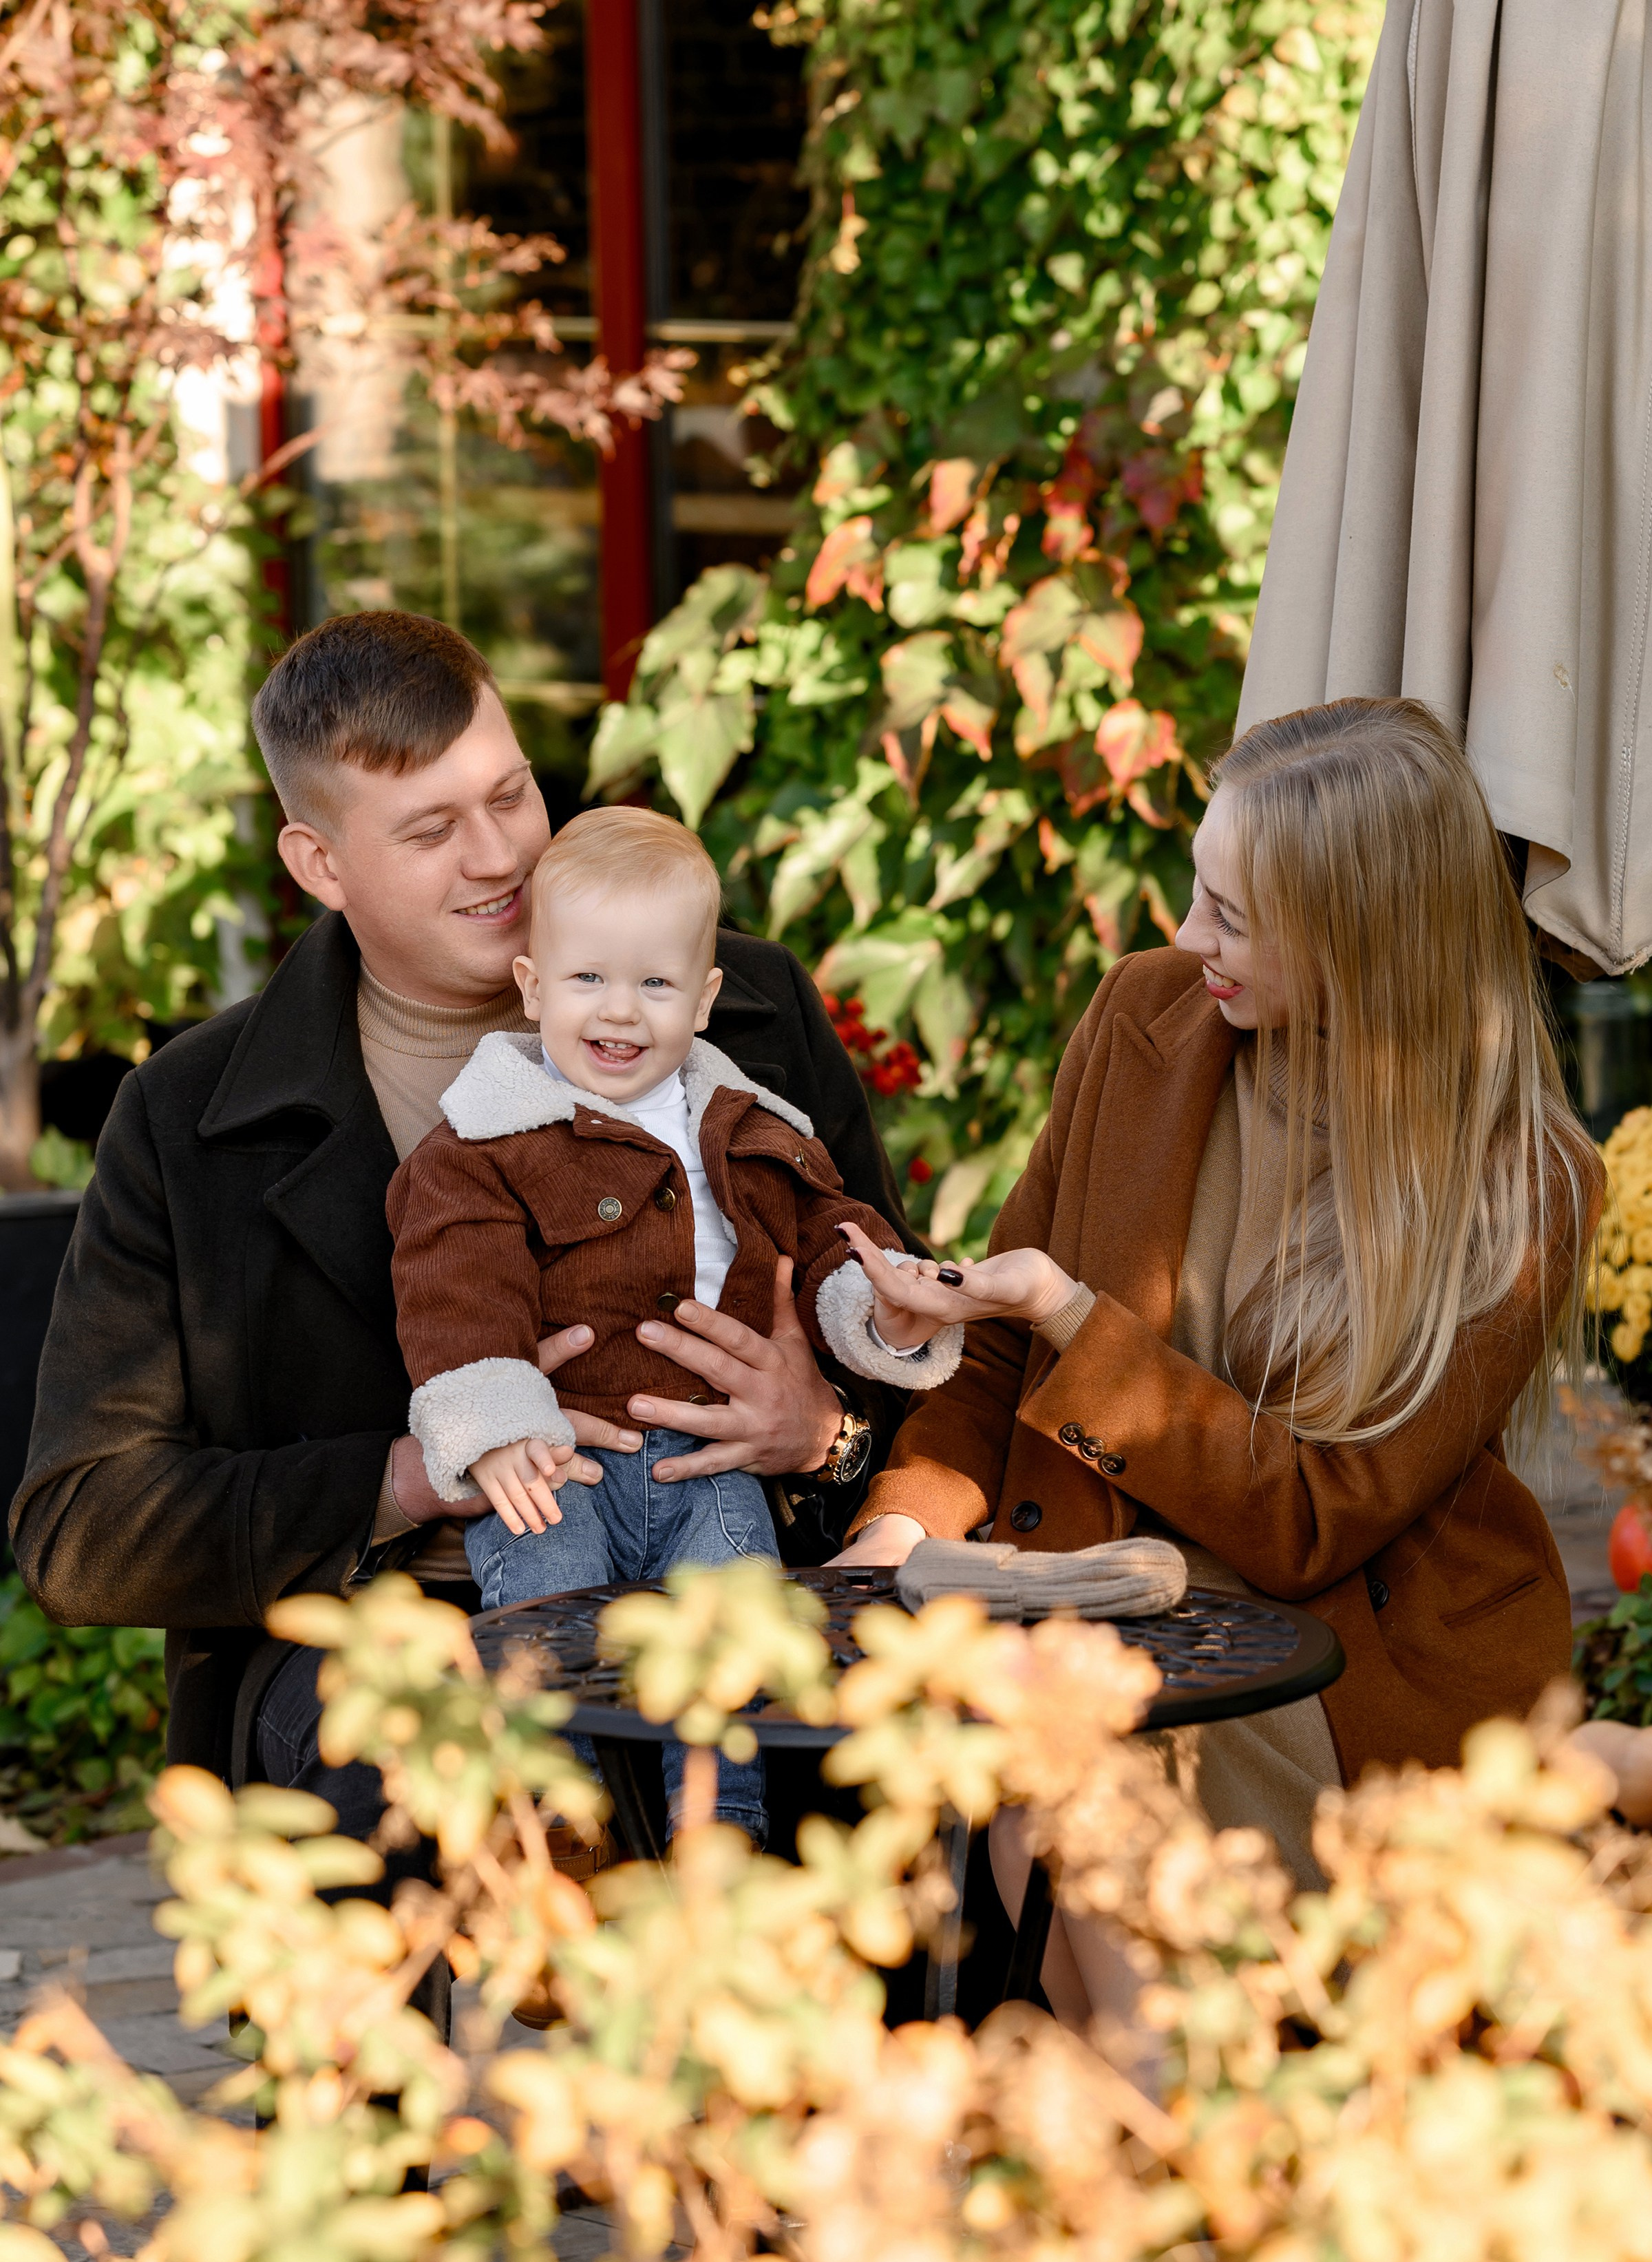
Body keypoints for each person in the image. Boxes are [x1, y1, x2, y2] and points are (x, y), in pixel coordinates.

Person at [8, 611, 919, 1848]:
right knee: (468, 1783)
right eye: (432, 830)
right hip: (390, 1643)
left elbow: (890, 1317)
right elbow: (81, 1530)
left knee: (913, 1776)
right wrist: (408, 1476)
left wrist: (822, 1431)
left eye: (510, 796)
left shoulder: (743, 1014)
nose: (499, 858)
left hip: (737, 1589)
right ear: (319, 865)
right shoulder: (189, 1117)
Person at [833, 697, 1601, 2031]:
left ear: (1366, 947)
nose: (1191, 941)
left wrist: (1085, 1322)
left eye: (1234, 918)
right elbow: (993, 1357)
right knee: (1031, 1729)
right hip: (1097, 1604)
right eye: (1199, 893)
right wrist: (893, 1534)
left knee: (1061, 1736)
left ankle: (1152, 2113)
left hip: (1339, 1668)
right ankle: (1153, 2125)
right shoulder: (1150, 1019)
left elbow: (1312, 1523)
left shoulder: (1518, 1186)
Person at [388, 805, 961, 1843]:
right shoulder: (487, 1143)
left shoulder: (750, 1128)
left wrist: (884, 1303)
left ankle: (720, 1827)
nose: (621, 1012)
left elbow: (828, 1233)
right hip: (559, 1463)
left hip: (713, 1467)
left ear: (702, 1002)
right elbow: (456, 1282)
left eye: (655, 985)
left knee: (729, 1635)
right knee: (548, 1617)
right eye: (588, 980)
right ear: (531, 988)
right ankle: (560, 1821)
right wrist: (495, 1418)